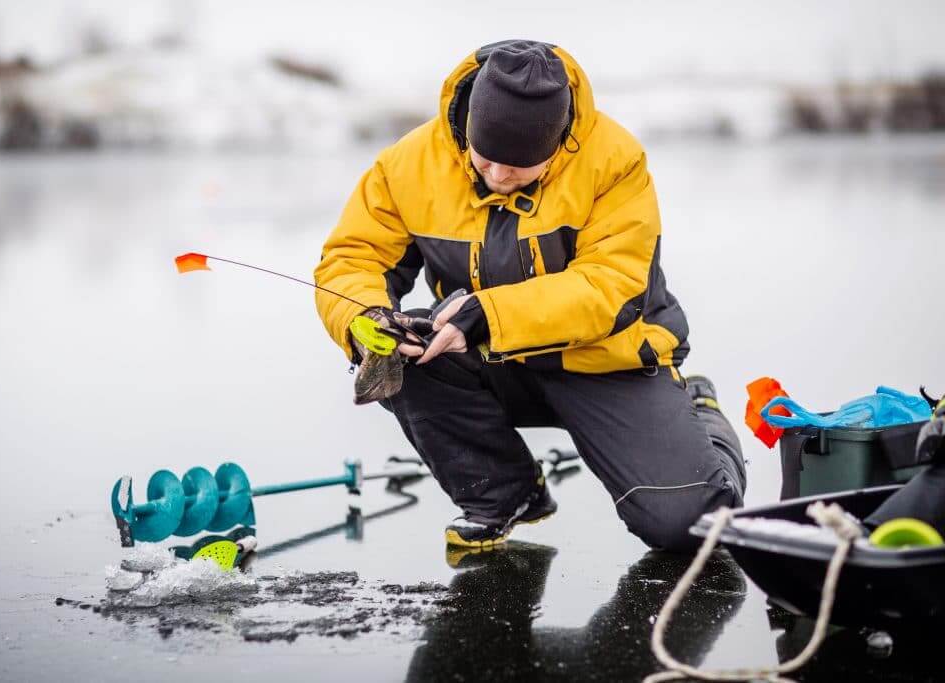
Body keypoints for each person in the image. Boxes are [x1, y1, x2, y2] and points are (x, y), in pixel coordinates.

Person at [314, 40, 746, 552]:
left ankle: (698, 405)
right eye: (486, 157)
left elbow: (609, 288)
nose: (497, 176)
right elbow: (352, 259)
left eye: (519, 166)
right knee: (403, 351)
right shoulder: (408, 165)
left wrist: (489, 315)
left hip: (607, 363)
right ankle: (504, 494)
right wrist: (363, 317)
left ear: (558, 143)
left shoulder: (615, 162)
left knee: (690, 528)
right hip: (485, 359)